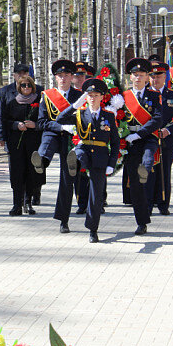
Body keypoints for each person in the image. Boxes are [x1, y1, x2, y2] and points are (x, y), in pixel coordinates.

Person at [56, 79, 119, 243]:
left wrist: (112, 164)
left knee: (96, 194)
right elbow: (60, 120)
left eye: (95, 95)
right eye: (89, 95)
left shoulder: (109, 116)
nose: (92, 98)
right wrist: (75, 105)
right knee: (74, 165)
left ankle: (93, 229)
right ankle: (74, 161)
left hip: (100, 156)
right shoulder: (79, 113)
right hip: (83, 151)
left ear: (101, 97)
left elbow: (115, 141)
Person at [32, 59, 82, 233]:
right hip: (54, 133)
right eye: (60, 76)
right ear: (55, 78)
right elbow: (41, 122)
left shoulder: (79, 96)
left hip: (71, 139)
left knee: (67, 181)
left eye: (66, 75)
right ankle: (42, 161)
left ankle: (64, 220)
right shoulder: (47, 96)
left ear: (71, 77)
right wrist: (60, 126)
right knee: (47, 139)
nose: (63, 79)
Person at [122, 58, 162, 235]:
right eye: (135, 75)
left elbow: (158, 118)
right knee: (136, 185)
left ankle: (146, 170)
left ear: (147, 77)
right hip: (130, 141)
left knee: (146, 162)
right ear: (130, 78)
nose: (138, 78)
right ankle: (142, 222)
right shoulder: (123, 97)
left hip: (147, 138)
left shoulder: (154, 96)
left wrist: (140, 133)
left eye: (141, 75)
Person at [0, 63, 45, 206]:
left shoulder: (40, 92)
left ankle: (32, 196)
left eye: (26, 73)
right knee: (17, 171)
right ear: (14, 75)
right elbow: (1, 116)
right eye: (19, 73)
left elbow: (45, 117)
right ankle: (18, 202)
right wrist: (1, 136)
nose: (23, 77)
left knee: (34, 169)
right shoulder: (6, 91)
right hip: (15, 139)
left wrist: (35, 126)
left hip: (34, 139)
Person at [145, 62, 173, 215]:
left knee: (164, 173)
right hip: (148, 140)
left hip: (166, 141)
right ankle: (147, 205)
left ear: (165, 77)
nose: (155, 79)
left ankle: (163, 204)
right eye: (153, 76)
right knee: (148, 173)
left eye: (159, 76)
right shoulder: (144, 94)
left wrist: (169, 130)